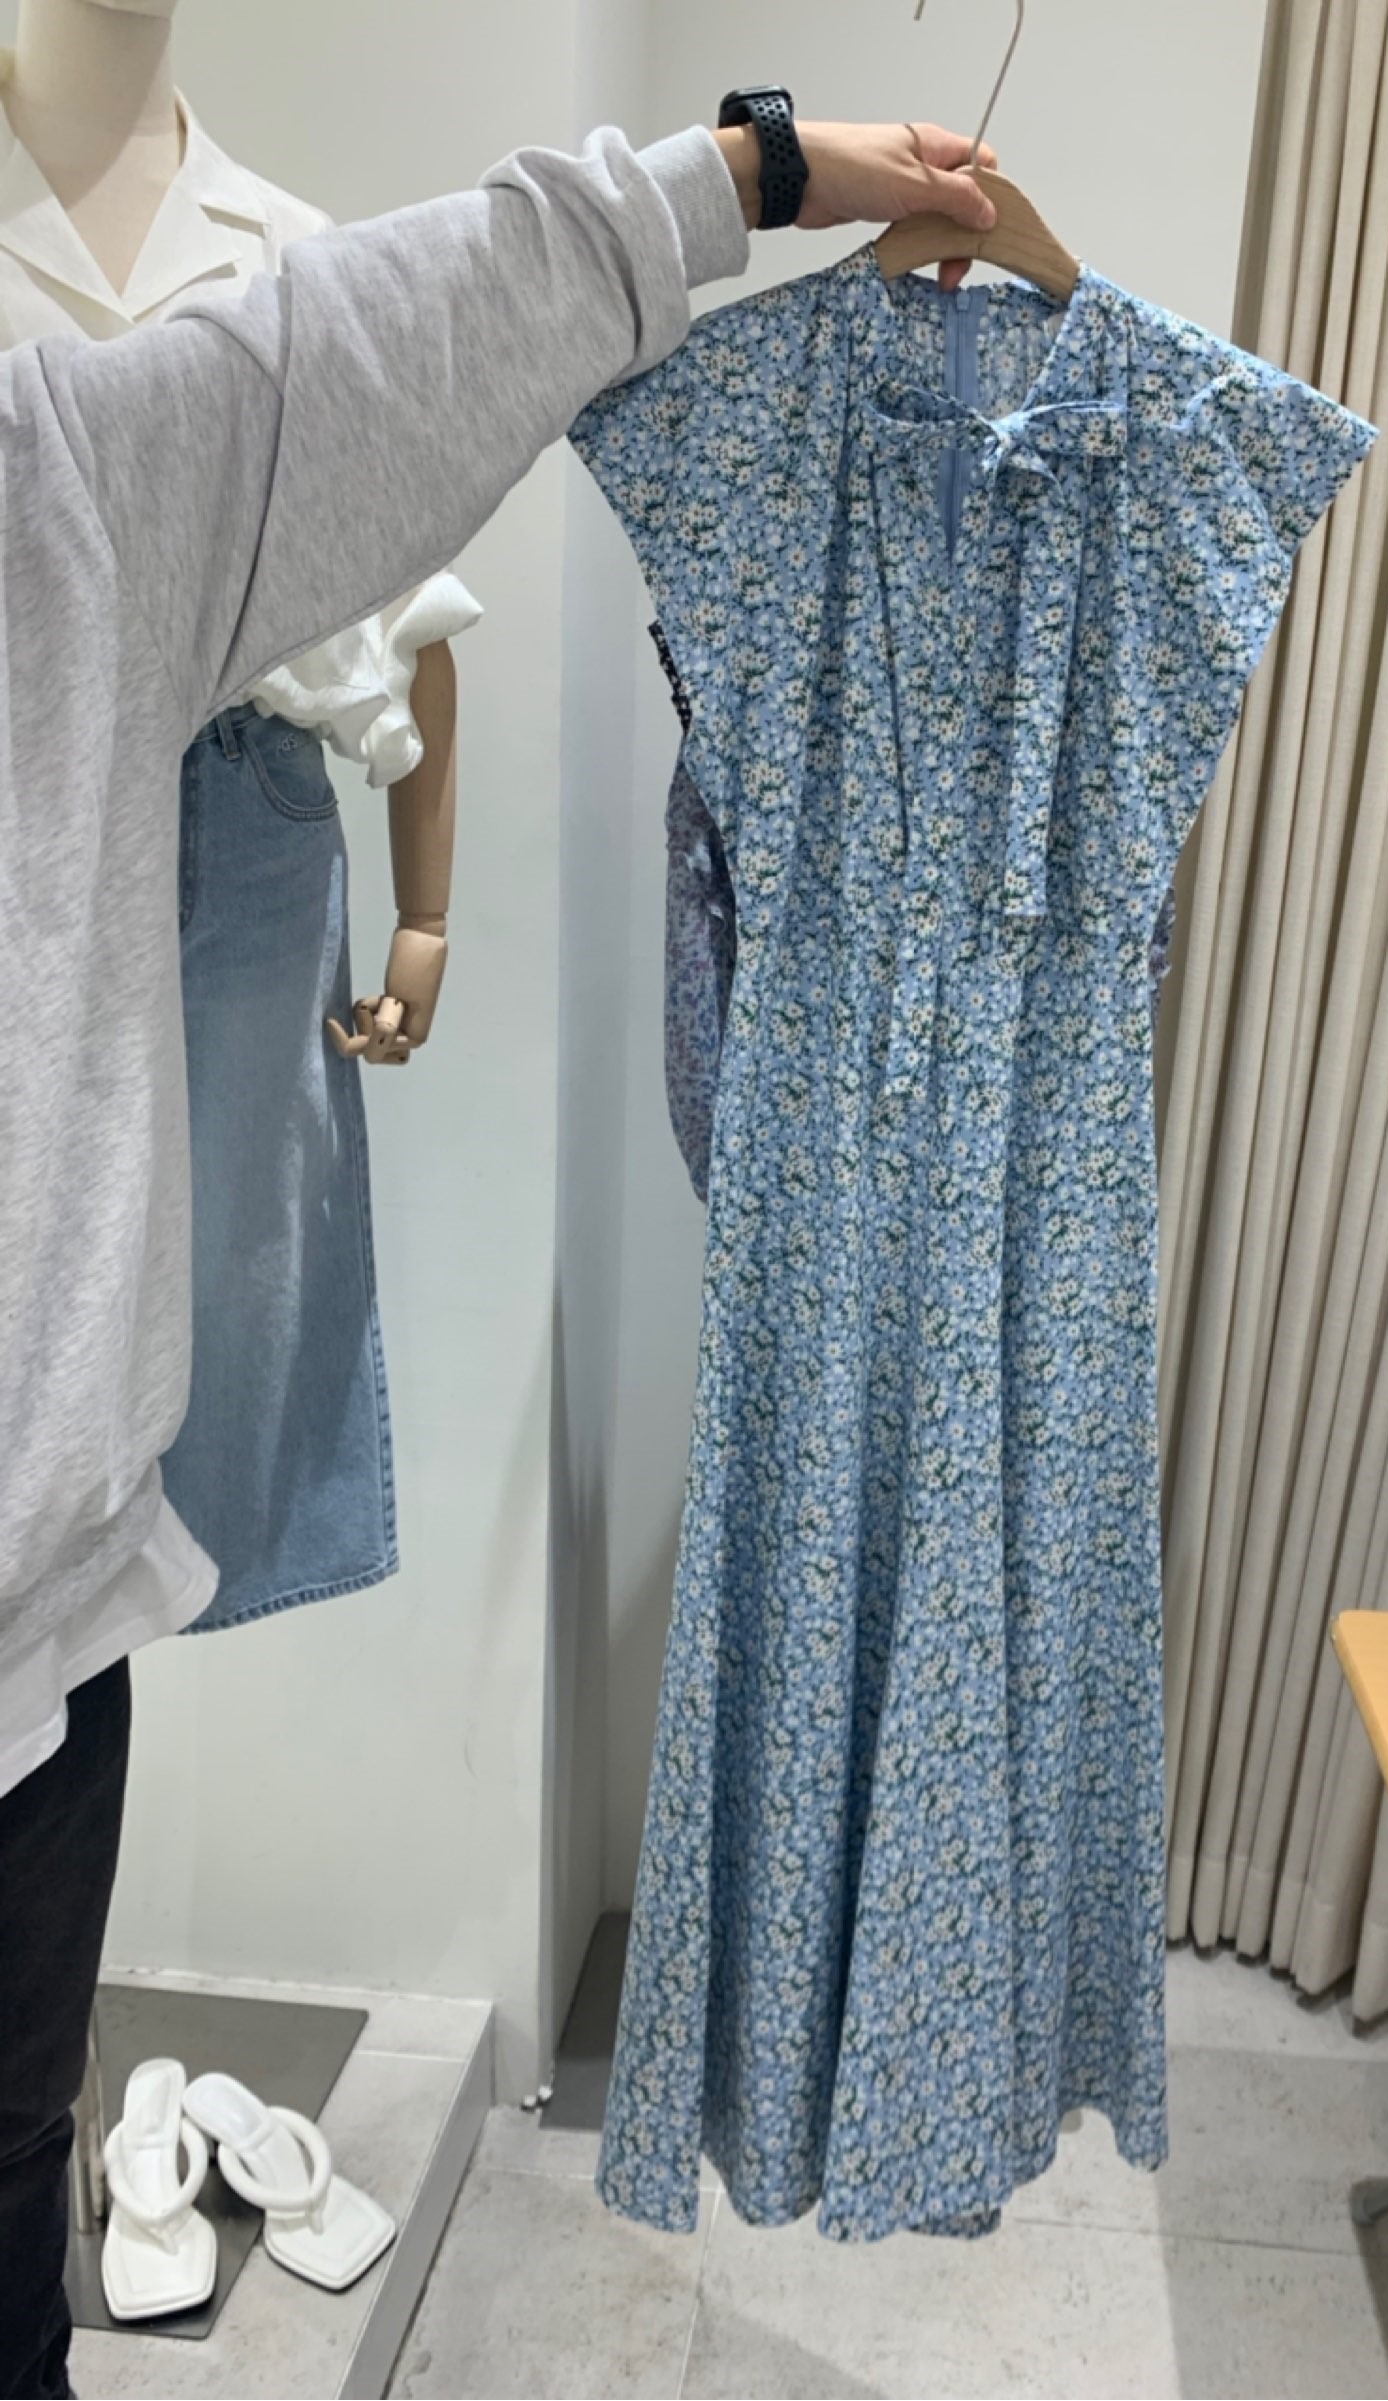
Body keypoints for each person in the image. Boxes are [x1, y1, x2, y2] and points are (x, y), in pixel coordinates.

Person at [0, 108, 996, 2401]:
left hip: (250, 819)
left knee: (201, 1415)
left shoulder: (140, 386)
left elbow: (391, 452)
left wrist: (742, 175)